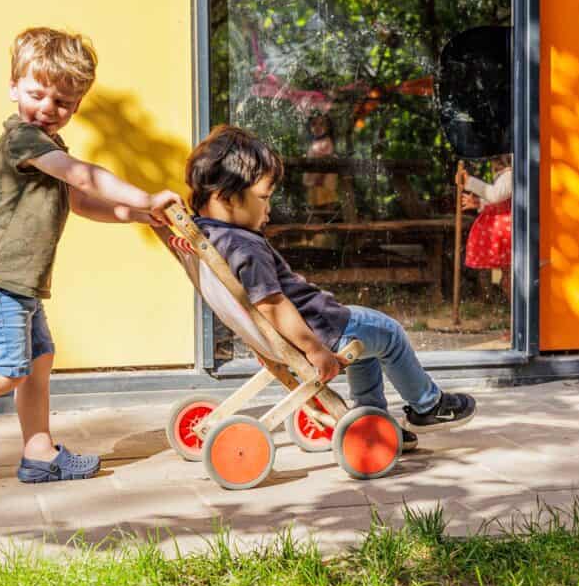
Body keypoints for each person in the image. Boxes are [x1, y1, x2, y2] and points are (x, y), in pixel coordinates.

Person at [0, 27, 182, 486]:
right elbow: (83, 177)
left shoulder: (51, 148)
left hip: (20, 283)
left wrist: (138, 217)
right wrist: (147, 198)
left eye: (62, 102)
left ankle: (38, 454)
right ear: (13, 88)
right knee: (8, 369)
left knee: (38, 360)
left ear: (76, 107)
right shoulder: (23, 140)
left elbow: (81, 203)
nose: (48, 108)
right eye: (36, 93)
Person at [187, 125, 476, 452]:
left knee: (366, 349)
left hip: (316, 326)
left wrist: (259, 340)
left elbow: (249, 306)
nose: (268, 209)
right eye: (264, 198)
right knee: (390, 334)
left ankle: (373, 417)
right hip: (323, 327)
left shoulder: (208, 236)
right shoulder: (244, 248)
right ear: (225, 197)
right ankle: (428, 405)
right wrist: (314, 349)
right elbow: (271, 304)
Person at [458, 155, 513, 297]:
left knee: (510, 277)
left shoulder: (510, 174)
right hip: (505, 230)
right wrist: (479, 203)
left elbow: (495, 195)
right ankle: (513, 306)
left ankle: (518, 309)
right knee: (507, 276)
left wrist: (470, 182)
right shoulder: (506, 176)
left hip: (507, 232)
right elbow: (501, 200)